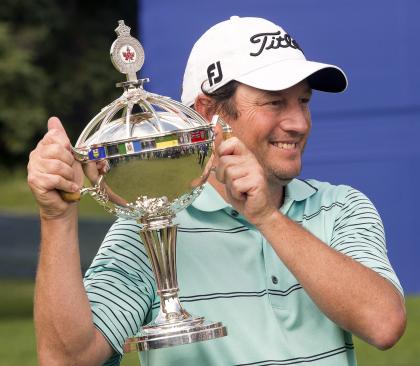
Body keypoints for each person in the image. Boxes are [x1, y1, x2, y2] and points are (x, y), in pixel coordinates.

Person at [27, 16, 406, 366]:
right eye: (275, 102)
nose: (297, 122)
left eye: (303, 101)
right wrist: (57, 216)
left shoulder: (340, 207)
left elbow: (383, 324)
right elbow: (66, 360)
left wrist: (266, 218)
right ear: (208, 113)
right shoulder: (146, 225)